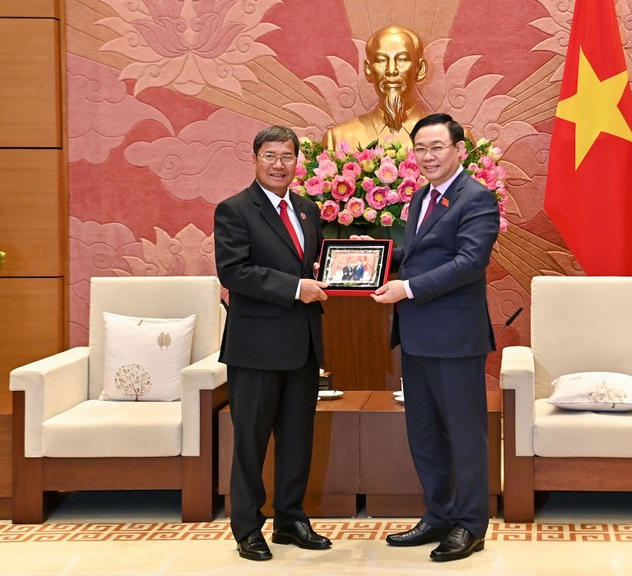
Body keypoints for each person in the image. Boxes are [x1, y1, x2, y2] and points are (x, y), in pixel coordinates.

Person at [372, 113, 499, 562]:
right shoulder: (421, 197)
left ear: (459, 150)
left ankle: (471, 525)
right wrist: (372, 258)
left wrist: (406, 288)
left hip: (455, 337)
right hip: (417, 334)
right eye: (420, 149)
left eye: (436, 148)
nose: (427, 157)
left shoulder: (477, 198)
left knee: (464, 434)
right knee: (424, 433)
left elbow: (470, 262)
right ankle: (439, 514)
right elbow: (418, 254)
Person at [214, 125, 332, 562]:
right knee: (251, 439)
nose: (280, 164)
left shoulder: (307, 209)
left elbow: (311, 263)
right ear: (255, 159)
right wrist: (294, 288)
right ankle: (247, 526)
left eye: (287, 156)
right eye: (271, 156)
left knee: (298, 438)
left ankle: (290, 519)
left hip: (302, 343)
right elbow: (234, 272)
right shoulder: (234, 210)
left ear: (297, 162)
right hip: (256, 347)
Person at [322, 25, 428, 149]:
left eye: (402, 60)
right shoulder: (338, 139)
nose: (391, 70)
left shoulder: (447, 138)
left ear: (420, 69)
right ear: (368, 69)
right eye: (381, 60)